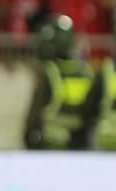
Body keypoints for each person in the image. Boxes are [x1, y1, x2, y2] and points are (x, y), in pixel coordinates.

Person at [24, 15, 93, 150]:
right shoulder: (86, 71)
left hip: (52, 144)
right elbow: (92, 109)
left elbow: (35, 111)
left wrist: (29, 135)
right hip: (80, 144)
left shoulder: (50, 72)